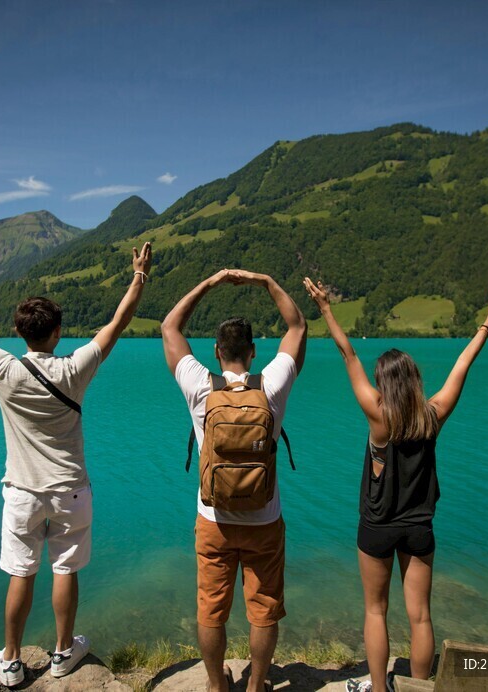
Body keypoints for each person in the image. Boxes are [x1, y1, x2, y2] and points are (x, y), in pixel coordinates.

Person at [0, 235, 153, 687]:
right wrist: (138, 275)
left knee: (21, 571)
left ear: (20, 332)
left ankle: (12, 661)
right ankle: (62, 653)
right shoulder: (74, 370)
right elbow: (117, 323)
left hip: (21, 491)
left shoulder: (3, 369)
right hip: (71, 490)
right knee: (65, 568)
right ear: (56, 332)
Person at [302, 278, 488, 692]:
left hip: (377, 526)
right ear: (414, 381)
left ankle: (379, 689)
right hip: (419, 527)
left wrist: (326, 308)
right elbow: (462, 365)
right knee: (420, 616)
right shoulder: (433, 415)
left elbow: (348, 353)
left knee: (376, 612)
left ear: (383, 383)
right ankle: (417, 687)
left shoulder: (378, 416)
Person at [162, 269, 306, 692]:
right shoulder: (273, 385)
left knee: (211, 610)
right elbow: (297, 326)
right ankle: (257, 685)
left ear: (216, 351)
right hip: (264, 520)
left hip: (214, 520)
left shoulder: (200, 386)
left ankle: (216, 685)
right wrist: (266, 282)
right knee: (262, 611)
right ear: (254, 352)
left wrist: (209, 282)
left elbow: (169, 325)